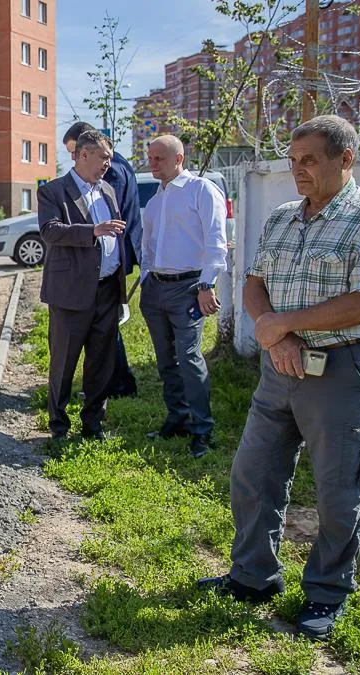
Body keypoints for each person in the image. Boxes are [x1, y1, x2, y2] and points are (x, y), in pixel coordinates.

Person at [198, 115, 360, 641]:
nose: (298, 171)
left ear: (346, 159)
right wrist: (278, 337)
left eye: (310, 161)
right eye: (293, 161)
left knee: (340, 492)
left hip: (341, 372)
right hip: (280, 368)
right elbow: (253, 283)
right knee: (252, 475)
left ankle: (326, 593)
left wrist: (288, 323)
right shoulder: (280, 217)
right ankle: (253, 577)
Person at [140, 135, 228, 459]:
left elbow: (217, 242)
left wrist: (207, 285)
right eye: (150, 158)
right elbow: (147, 246)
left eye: (159, 158)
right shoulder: (155, 201)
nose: (152, 164)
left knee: (190, 359)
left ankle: (202, 430)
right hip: (156, 289)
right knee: (166, 360)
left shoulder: (200, 190)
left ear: (179, 158)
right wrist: (147, 277)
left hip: (188, 289)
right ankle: (177, 418)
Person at [38, 130, 126, 441]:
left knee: (102, 361)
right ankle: (58, 427)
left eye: (110, 159)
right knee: (64, 361)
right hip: (70, 293)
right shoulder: (54, 191)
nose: (107, 164)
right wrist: (94, 230)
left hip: (106, 290)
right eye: (103, 158)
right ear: (83, 155)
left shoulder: (108, 190)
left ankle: (93, 424)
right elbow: (51, 231)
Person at [62, 122, 141, 398]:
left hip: (109, 260)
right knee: (107, 326)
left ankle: (118, 383)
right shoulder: (119, 164)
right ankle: (116, 381)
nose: (73, 160)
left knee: (106, 329)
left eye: (75, 152)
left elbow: (103, 217)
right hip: (108, 258)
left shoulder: (111, 172)